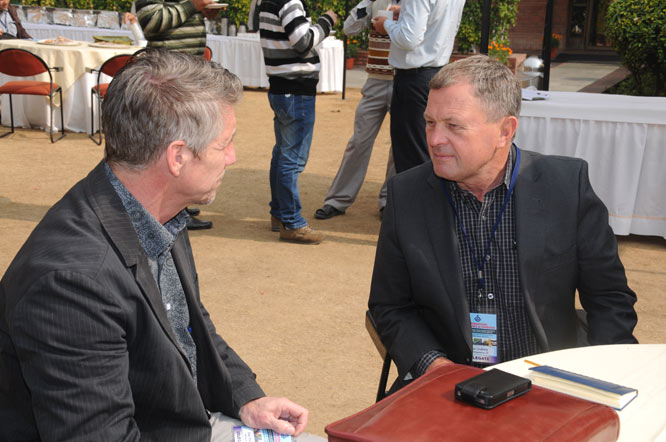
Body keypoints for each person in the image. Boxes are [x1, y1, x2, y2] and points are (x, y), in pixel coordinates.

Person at [0, 50, 323, 442]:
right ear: (178, 157)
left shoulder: (156, 208)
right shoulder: (72, 284)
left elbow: (190, 325)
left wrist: (245, 397)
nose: (233, 157)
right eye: (224, 144)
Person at [368, 55, 638, 392]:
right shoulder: (407, 195)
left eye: (453, 126)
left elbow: (610, 299)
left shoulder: (566, 187)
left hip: (549, 382)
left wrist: (602, 379)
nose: (435, 139)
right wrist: (436, 366)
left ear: (504, 131)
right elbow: (389, 306)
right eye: (430, 122)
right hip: (451, 385)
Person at [136, 0, 221, 231]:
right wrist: (193, 6)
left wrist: (204, 12)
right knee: (167, 145)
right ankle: (167, 211)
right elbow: (150, 21)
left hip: (181, 75)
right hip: (165, 76)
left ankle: (176, 206)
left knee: (181, 142)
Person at [259, 0, 337, 244]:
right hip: (296, 89)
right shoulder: (290, 2)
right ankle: (291, 222)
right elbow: (303, 41)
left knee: (283, 154)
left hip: (282, 88)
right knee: (291, 159)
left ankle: (280, 214)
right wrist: (327, 21)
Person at [314, 0, 396, 221]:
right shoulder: (374, 3)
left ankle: (390, 201)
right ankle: (337, 200)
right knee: (359, 141)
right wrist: (368, 3)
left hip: (404, 80)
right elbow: (349, 28)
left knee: (399, 145)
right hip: (375, 80)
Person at [372, 0, 465, 173]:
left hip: (413, 79)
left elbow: (408, 39)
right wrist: (405, 12)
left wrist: (386, 24)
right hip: (435, 73)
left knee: (411, 156)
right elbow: (447, 22)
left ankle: (418, 191)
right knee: (427, 147)